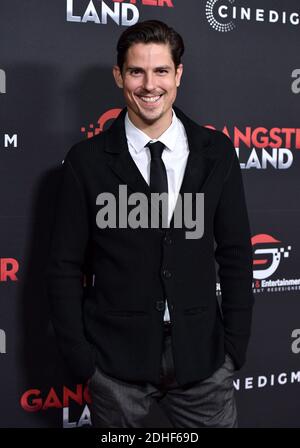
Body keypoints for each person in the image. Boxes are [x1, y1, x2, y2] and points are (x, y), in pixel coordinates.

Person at [46, 20, 254, 428]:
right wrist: (84, 361)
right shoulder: (86, 162)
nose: (148, 85)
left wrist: (234, 349)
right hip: (114, 367)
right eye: (136, 71)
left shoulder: (216, 153)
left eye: (161, 71)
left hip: (204, 362)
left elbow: (235, 254)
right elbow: (64, 266)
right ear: (119, 75)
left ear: (178, 74)